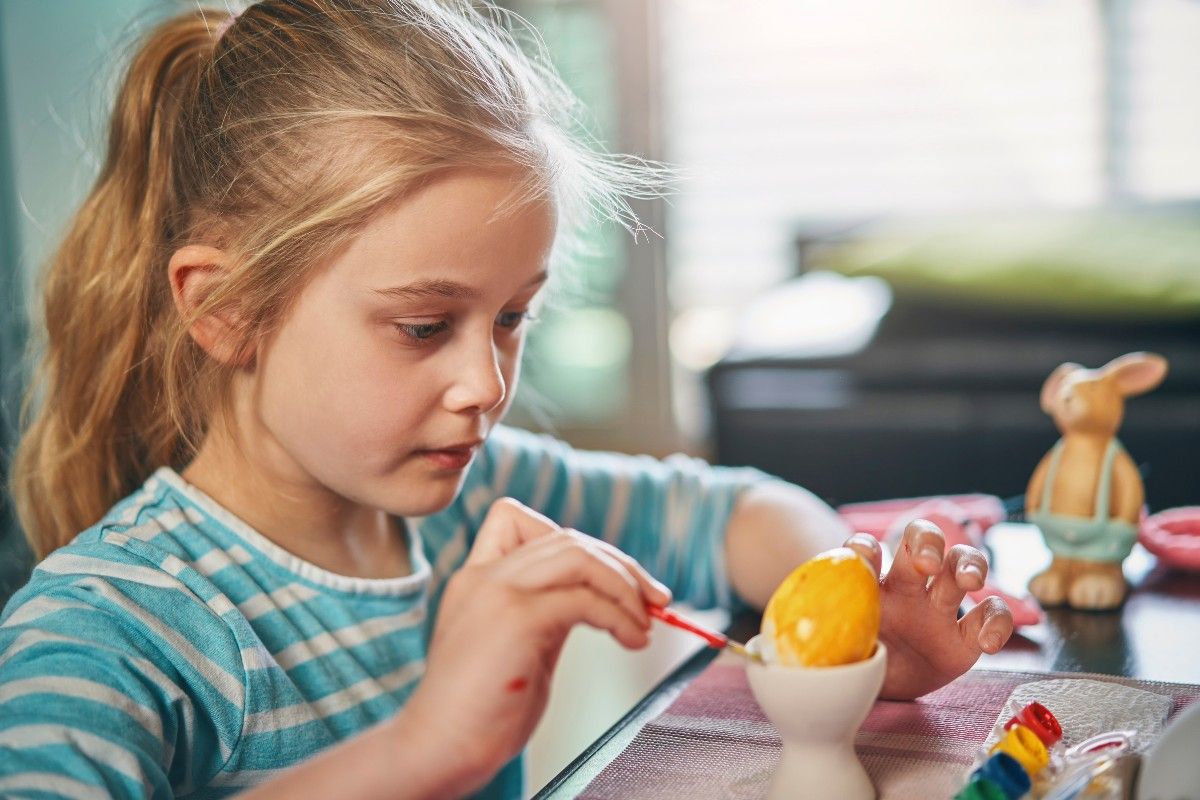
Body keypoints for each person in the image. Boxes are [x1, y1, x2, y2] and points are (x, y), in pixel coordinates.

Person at [0, 1, 1014, 798]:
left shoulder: (490, 501)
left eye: (511, 319)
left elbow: (734, 508)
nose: (485, 387)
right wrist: (423, 749)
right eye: (423, 326)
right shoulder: (110, 630)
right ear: (224, 309)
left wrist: (846, 623)